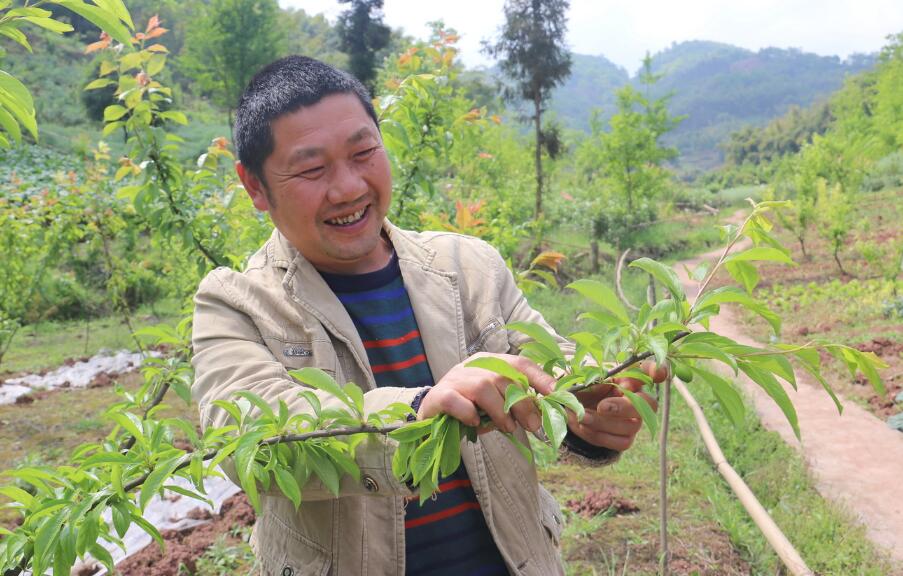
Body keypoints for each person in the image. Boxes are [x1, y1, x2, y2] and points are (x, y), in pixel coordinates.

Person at [191, 55, 657, 576]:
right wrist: (418, 410)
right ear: (255, 186)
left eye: (364, 152)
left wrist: (587, 412)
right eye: (312, 169)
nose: (348, 188)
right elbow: (251, 445)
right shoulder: (233, 303)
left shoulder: (470, 265)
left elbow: (550, 368)